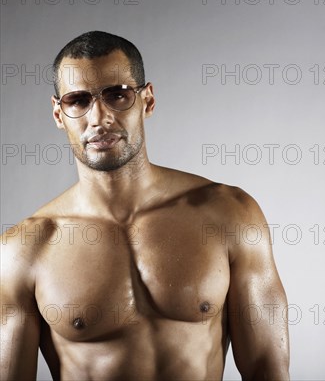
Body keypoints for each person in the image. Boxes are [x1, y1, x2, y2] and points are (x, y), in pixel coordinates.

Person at [0, 31, 290, 380]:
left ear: (147, 100)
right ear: (59, 114)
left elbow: (267, 369)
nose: (99, 118)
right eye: (78, 100)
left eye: (117, 95)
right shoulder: (25, 248)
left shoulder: (229, 213)